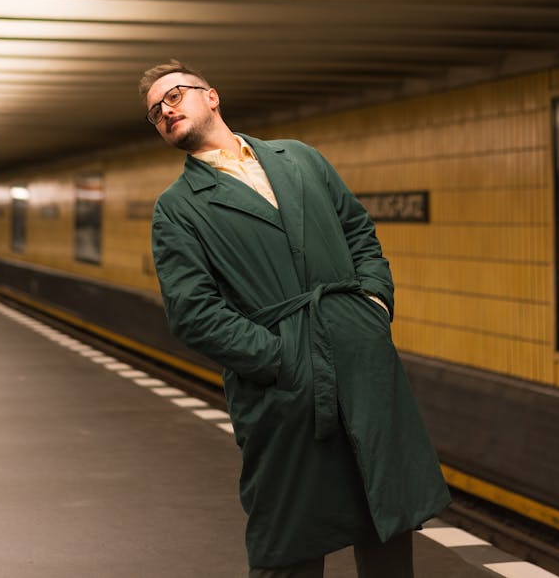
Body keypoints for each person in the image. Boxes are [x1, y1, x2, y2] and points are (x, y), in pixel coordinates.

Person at [143, 59, 450, 577]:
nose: (165, 111)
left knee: (387, 523)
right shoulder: (177, 208)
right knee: (290, 541)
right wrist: (281, 359)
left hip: (360, 361)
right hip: (286, 387)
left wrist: (373, 305)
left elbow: (359, 232)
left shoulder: (300, 158)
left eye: (173, 96)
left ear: (211, 96)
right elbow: (193, 312)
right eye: (154, 112)